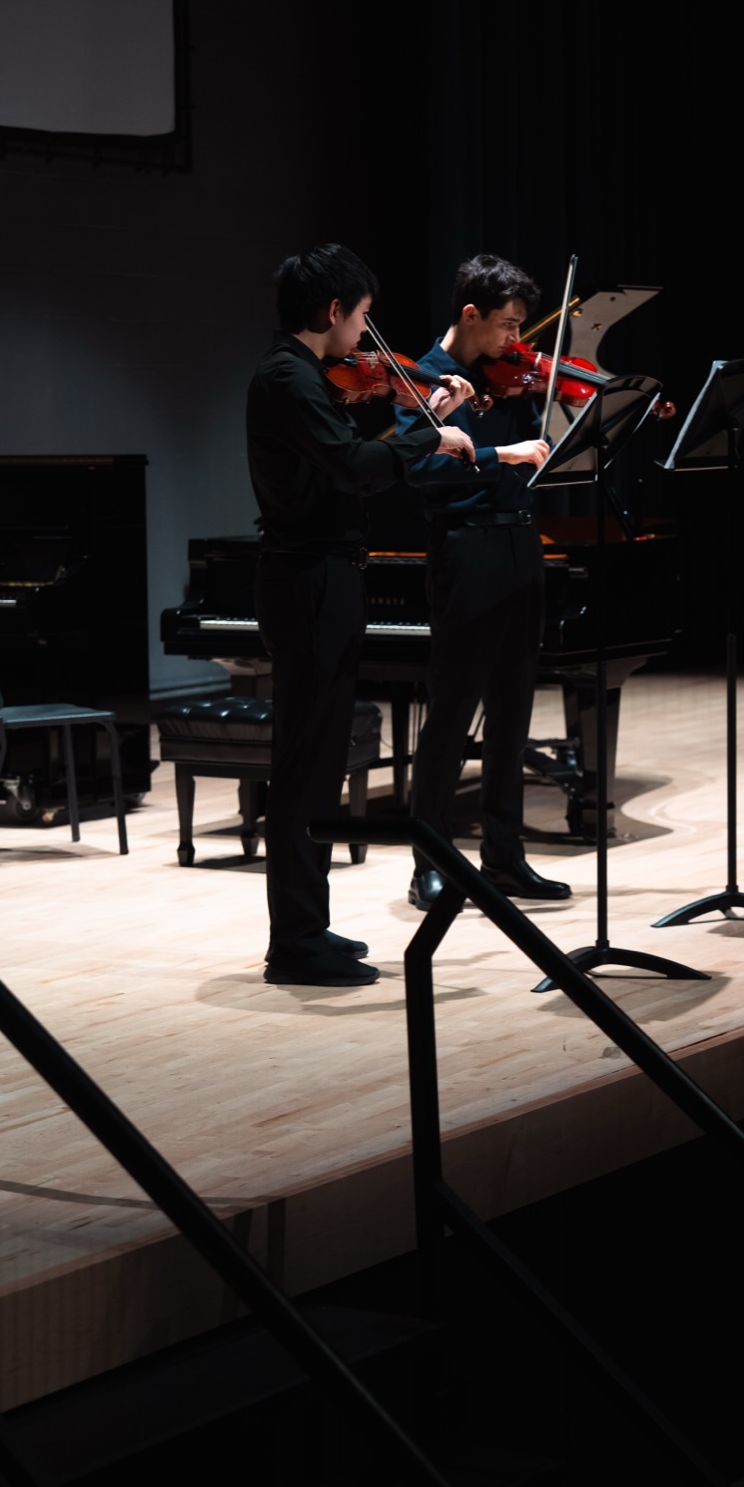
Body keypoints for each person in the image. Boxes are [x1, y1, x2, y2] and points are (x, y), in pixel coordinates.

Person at [246, 243, 475, 986]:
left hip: (327, 578)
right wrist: (428, 434)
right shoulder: (287, 378)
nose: (365, 336)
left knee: (319, 761)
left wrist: (420, 424)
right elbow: (353, 466)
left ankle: (310, 926)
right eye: (363, 317)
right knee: (304, 763)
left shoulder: (308, 377)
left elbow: (357, 469)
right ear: (333, 311)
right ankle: (295, 945)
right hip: (308, 579)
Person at [396, 253, 572, 908]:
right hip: (466, 552)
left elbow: (538, 454)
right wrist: (506, 453)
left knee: (512, 714)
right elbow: (427, 471)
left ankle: (504, 857)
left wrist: (539, 416)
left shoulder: (510, 377)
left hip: (521, 542)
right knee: (450, 715)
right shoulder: (422, 378)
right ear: (470, 316)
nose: (516, 342)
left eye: (521, 327)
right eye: (505, 325)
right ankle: (429, 862)